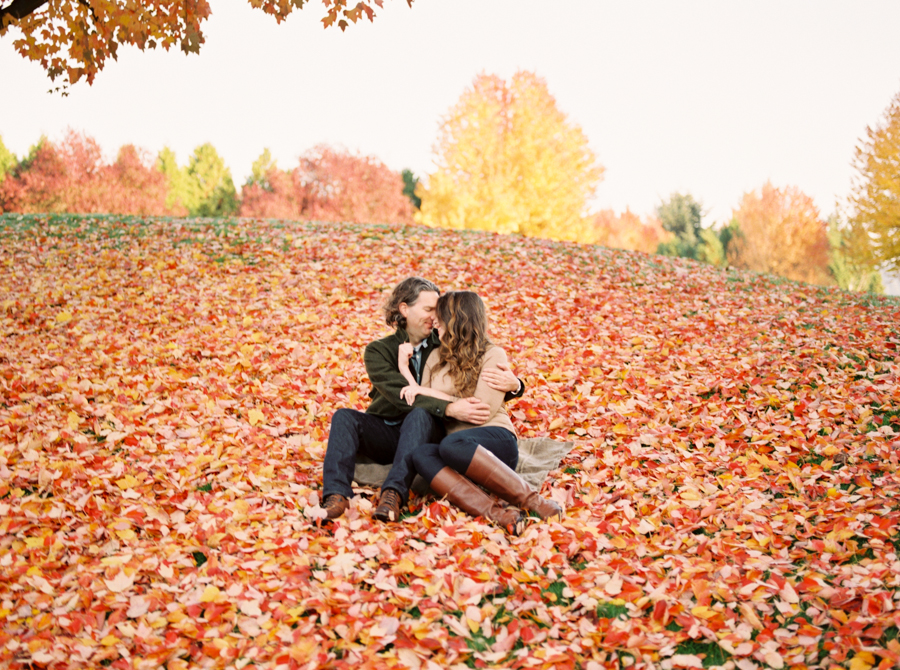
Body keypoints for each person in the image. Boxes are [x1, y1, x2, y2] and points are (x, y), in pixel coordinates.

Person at [321, 277, 525, 522]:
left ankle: (393, 495)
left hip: (430, 430)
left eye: (437, 312)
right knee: (344, 416)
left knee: (420, 414)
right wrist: (450, 408)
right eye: (429, 310)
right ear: (404, 309)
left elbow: (478, 347)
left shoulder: (443, 339)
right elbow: (402, 395)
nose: (434, 318)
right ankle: (335, 494)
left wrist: (517, 385)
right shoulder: (378, 350)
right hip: (390, 429)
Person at [402, 291, 563, 535]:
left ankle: (535, 503)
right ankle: (500, 515)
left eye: (441, 318)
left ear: (457, 320)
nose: (435, 323)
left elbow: (482, 411)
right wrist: (410, 375)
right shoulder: (435, 356)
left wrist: (444, 401)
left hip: (494, 441)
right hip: (455, 449)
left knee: (452, 444)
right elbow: (422, 399)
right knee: (422, 454)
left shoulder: (492, 354)